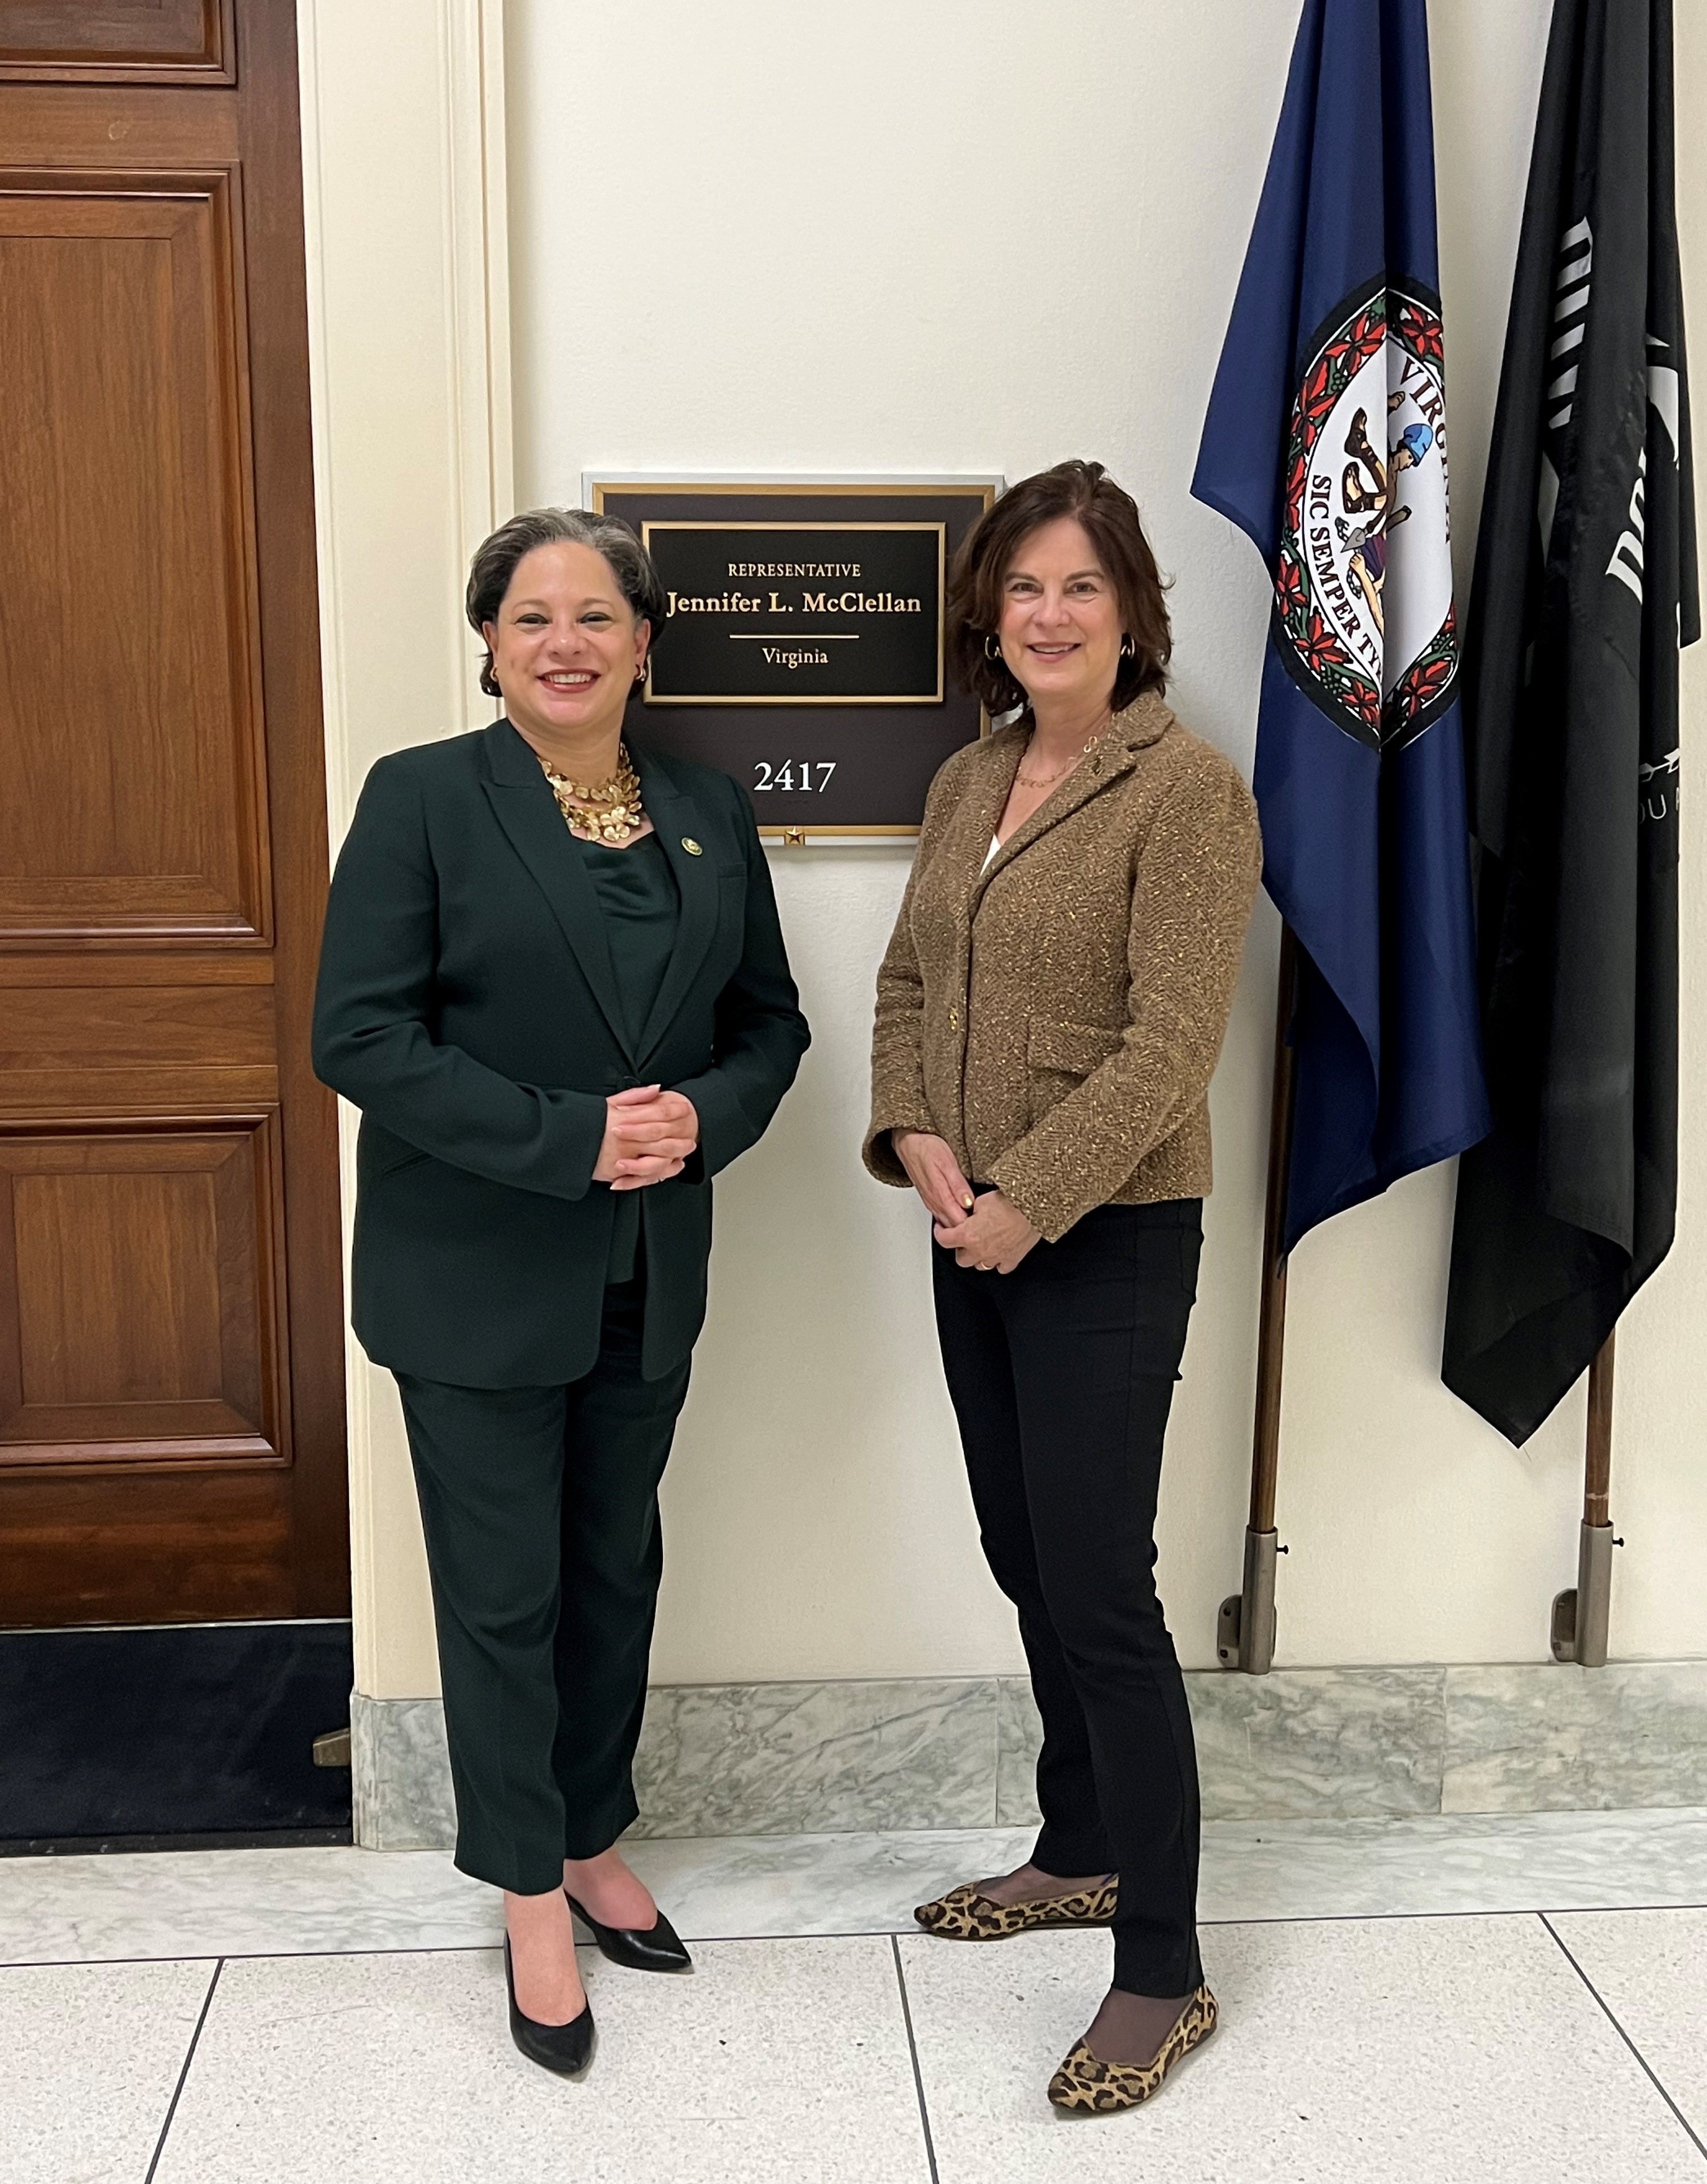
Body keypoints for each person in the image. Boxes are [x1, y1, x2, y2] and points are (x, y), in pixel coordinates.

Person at [313, 508, 809, 2077]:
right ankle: (529, 1891)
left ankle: (595, 1835)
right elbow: (363, 1038)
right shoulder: (422, 801)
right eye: (533, 618)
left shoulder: (707, 812)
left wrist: (700, 1124)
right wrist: (569, 1140)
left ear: (645, 641)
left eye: (596, 616)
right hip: (472, 1275)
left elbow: (769, 1029)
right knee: (505, 1594)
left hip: (646, 1273)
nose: (566, 644)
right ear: (490, 646)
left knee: (612, 1573)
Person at [864, 460, 1259, 2116]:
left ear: (1131, 612)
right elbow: (904, 981)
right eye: (1022, 589)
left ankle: (1160, 1967)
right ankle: (1079, 1844)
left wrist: (1033, 1195)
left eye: (1078, 589)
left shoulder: (1190, 793)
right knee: (1026, 1552)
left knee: (1101, 1584)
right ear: (992, 613)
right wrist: (918, 1136)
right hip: (970, 1227)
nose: (1047, 616)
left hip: (1105, 1235)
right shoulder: (970, 779)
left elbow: (1175, 1046)